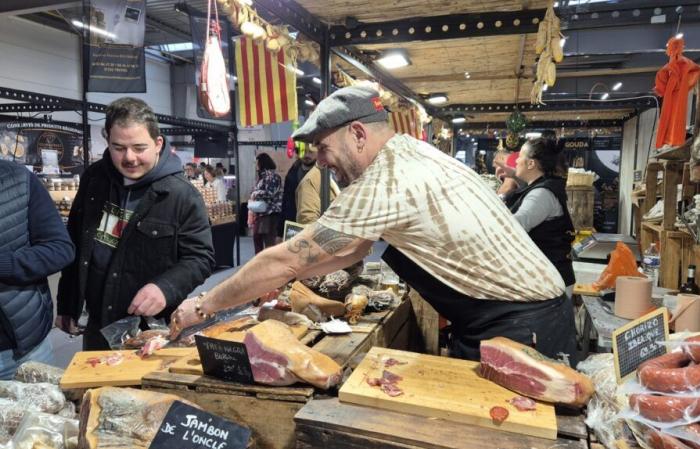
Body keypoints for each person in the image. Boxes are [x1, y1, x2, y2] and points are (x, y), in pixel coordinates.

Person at [170, 86, 577, 365]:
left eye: (325, 148)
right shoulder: (412, 153)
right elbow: (354, 247)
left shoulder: (386, 180)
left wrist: (204, 305)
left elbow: (288, 258)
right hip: (525, 312)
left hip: (521, 326)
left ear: (359, 134)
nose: (321, 161)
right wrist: (284, 281)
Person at [56, 97, 215, 350]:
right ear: (108, 141)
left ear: (158, 143)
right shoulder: (94, 180)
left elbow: (200, 257)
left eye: (139, 148)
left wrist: (165, 288)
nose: (129, 158)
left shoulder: (181, 195)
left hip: (151, 329)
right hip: (98, 323)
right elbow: (76, 242)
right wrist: (67, 303)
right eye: (118, 147)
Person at [0, 161, 75, 379]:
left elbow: (60, 249)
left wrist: (4, 264)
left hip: (21, 350)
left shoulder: (16, 179)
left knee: (43, 410)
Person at [501, 138, 576, 292]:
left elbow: (517, 224)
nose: (516, 161)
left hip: (551, 280)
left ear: (531, 164)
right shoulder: (543, 185)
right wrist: (514, 175)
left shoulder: (542, 194)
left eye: (520, 156)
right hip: (546, 276)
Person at [278, 146, 317, 235]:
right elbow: (286, 202)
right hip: (293, 226)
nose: (306, 155)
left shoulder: (325, 173)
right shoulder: (293, 172)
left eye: (310, 152)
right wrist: (280, 232)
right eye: (303, 151)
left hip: (316, 227)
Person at [250, 153, 282, 254]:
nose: (256, 165)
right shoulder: (263, 176)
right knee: (257, 238)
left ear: (262, 162)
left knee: (269, 241)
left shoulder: (272, 176)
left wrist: (256, 193)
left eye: (257, 162)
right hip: (262, 213)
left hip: (270, 214)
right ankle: (259, 262)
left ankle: (268, 265)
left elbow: (270, 193)